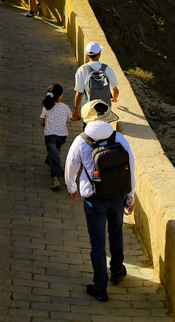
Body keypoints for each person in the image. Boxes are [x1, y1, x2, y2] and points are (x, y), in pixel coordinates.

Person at [64, 109, 135, 302]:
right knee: (116, 232)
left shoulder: (81, 141)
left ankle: (100, 287)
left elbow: (71, 166)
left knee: (97, 243)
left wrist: (71, 188)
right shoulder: (119, 139)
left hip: (93, 199)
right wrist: (130, 197)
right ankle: (117, 271)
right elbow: (130, 169)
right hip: (117, 197)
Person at [39, 83, 70, 190]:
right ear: (60, 96)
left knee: (54, 155)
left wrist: (45, 125)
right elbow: (72, 117)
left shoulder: (47, 106)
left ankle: (55, 179)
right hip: (62, 136)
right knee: (55, 152)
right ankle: (51, 162)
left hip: (50, 135)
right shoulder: (65, 107)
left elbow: (42, 121)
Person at [74, 42, 119, 111]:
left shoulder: (82, 69)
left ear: (87, 54)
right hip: (105, 107)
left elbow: (79, 93)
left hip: (88, 106)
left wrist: (76, 111)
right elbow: (116, 91)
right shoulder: (107, 69)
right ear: (99, 53)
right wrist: (114, 99)